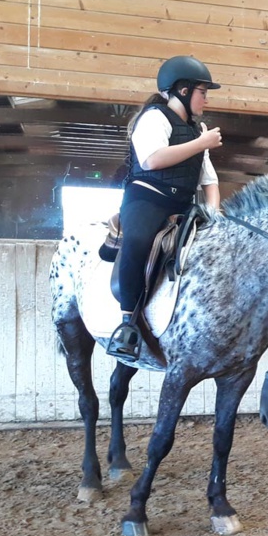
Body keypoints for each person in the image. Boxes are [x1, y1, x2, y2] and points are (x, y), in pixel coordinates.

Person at [106, 55, 223, 360]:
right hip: (147, 200)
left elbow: (209, 180)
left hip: (185, 206)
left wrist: (214, 213)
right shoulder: (154, 118)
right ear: (183, 91)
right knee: (138, 240)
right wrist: (202, 143)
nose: (206, 100)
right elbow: (152, 160)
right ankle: (127, 324)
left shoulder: (198, 130)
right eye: (202, 92)